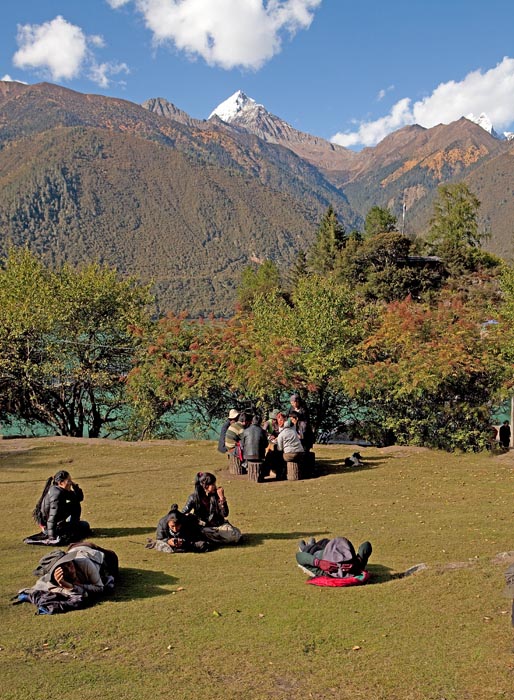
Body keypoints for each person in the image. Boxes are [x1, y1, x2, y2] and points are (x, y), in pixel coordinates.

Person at [15, 542, 118, 614]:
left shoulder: (84, 563)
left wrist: (76, 586)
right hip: (74, 550)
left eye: (69, 564)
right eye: (64, 567)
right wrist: (68, 587)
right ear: (56, 571)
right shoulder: (53, 582)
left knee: (112, 559)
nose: (70, 568)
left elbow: (99, 588)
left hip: (90, 551)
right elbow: (79, 596)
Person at [30, 470, 90, 544]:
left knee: (77, 507)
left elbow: (79, 498)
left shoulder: (63, 490)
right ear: (61, 483)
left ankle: (73, 527)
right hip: (49, 528)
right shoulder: (56, 494)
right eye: (69, 481)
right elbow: (52, 517)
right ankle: (71, 529)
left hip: (58, 523)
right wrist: (51, 537)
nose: (70, 483)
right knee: (84, 526)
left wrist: (76, 487)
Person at [182, 472, 241, 544]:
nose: (215, 486)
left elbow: (225, 514)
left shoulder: (216, 495)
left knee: (235, 536)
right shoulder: (194, 498)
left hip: (219, 526)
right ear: (205, 486)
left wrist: (222, 499)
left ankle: (211, 540)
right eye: (212, 484)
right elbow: (183, 513)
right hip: (203, 528)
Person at [296, 536, 372, 579]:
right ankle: (312, 543)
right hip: (332, 547)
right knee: (323, 541)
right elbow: (366, 545)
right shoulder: (356, 566)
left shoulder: (325, 572)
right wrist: (358, 561)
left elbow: (299, 556)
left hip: (316, 553)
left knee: (308, 547)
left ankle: (310, 545)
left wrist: (318, 563)